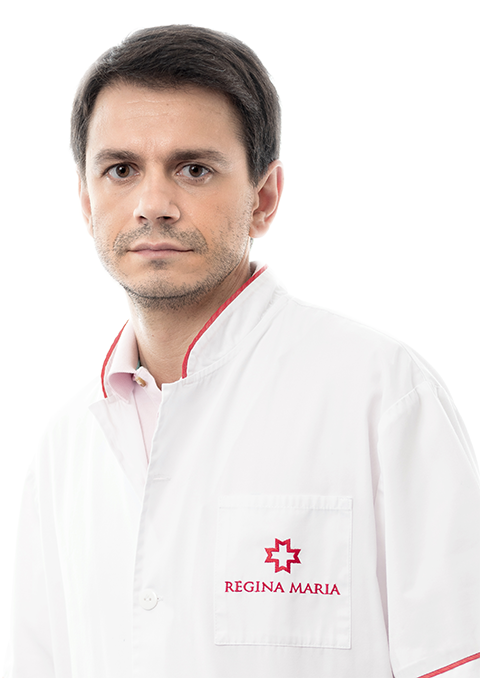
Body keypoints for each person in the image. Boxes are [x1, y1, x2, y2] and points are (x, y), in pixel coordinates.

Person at [4, 24, 480, 678]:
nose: (153, 205)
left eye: (193, 169)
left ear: (265, 198)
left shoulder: (383, 395)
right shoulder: (63, 451)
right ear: (86, 202)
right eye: (121, 170)